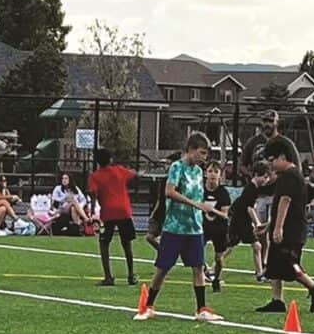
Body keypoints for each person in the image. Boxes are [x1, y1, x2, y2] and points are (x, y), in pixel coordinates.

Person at [135, 132, 225, 321]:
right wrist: (195, 204)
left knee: (198, 267)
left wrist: (206, 210)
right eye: (201, 153)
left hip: (195, 228)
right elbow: (170, 192)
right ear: (191, 150)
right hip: (175, 227)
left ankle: (201, 309)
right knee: (163, 268)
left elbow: (198, 197)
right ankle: (148, 306)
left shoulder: (199, 172)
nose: (204, 158)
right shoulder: (177, 167)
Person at [256, 137, 314, 314]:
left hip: (291, 229)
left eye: (272, 160)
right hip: (285, 227)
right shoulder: (287, 176)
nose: (270, 165)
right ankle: (277, 300)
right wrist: (269, 225)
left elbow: (285, 201)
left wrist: (279, 227)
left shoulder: (290, 176)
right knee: (273, 265)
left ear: (282, 156)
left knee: (289, 263)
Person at [88, 148, 138, 286]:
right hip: (124, 211)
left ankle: (108, 277)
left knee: (104, 244)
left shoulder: (95, 176)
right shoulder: (119, 170)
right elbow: (133, 174)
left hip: (108, 213)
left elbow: (92, 193)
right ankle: (131, 275)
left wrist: (93, 212)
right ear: (110, 160)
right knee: (126, 244)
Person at [228, 160, 273, 282]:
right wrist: (257, 223)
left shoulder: (254, 188)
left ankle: (259, 274)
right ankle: (214, 267)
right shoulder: (251, 189)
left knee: (255, 246)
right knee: (230, 247)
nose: (267, 180)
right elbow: (249, 208)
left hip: (242, 220)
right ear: (257, 175)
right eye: (265, 177)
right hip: (240, 221)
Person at [239, 109, 300, 177]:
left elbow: (297, 167)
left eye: (271, 121)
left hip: (279, 185)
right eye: (265, 120)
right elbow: (242, 165)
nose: (267, 124)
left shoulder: (287, 143)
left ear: (277, 123)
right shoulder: (252, 142)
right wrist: (251, 174)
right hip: (258, 185)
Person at [201, 161, 232, 293]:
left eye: (216, 172)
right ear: (205, 173)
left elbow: (225, 215)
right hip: (202, 226)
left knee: (219, 258)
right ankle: (205, 271)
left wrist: (211, 210)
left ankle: (216, 279)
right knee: (195, 252)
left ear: (220, 175)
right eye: (210, 171)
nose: (213, 175)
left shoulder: (223, 193)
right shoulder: (200, 189)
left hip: (219, 228)